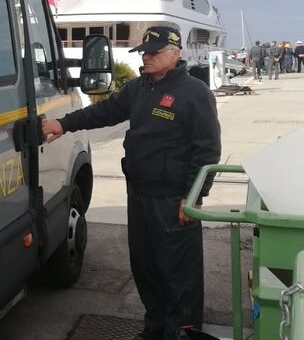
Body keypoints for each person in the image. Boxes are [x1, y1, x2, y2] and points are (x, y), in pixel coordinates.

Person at [42, 26, 221, 340]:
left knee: (178, 274)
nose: (147, 57)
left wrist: (194, 197)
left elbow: (207, 151)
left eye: (155, 52)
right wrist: (64, 123)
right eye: (145, 52)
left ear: (175, 53)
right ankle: (155, 329)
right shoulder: (139, 88)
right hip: (138, 194)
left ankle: (181, 334)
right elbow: (106, 112)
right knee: (145, 267)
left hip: (172, 199)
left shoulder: (195, 93)